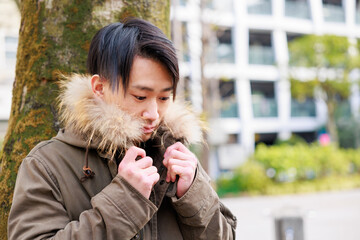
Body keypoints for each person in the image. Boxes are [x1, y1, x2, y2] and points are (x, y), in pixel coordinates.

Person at [8, 18, 237, 239]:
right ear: (99, 88)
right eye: (140, 96)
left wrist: (193, 193)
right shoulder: (46, 164)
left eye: (165, 97)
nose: (154, 113)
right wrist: (126, 199)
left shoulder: (175, 152)